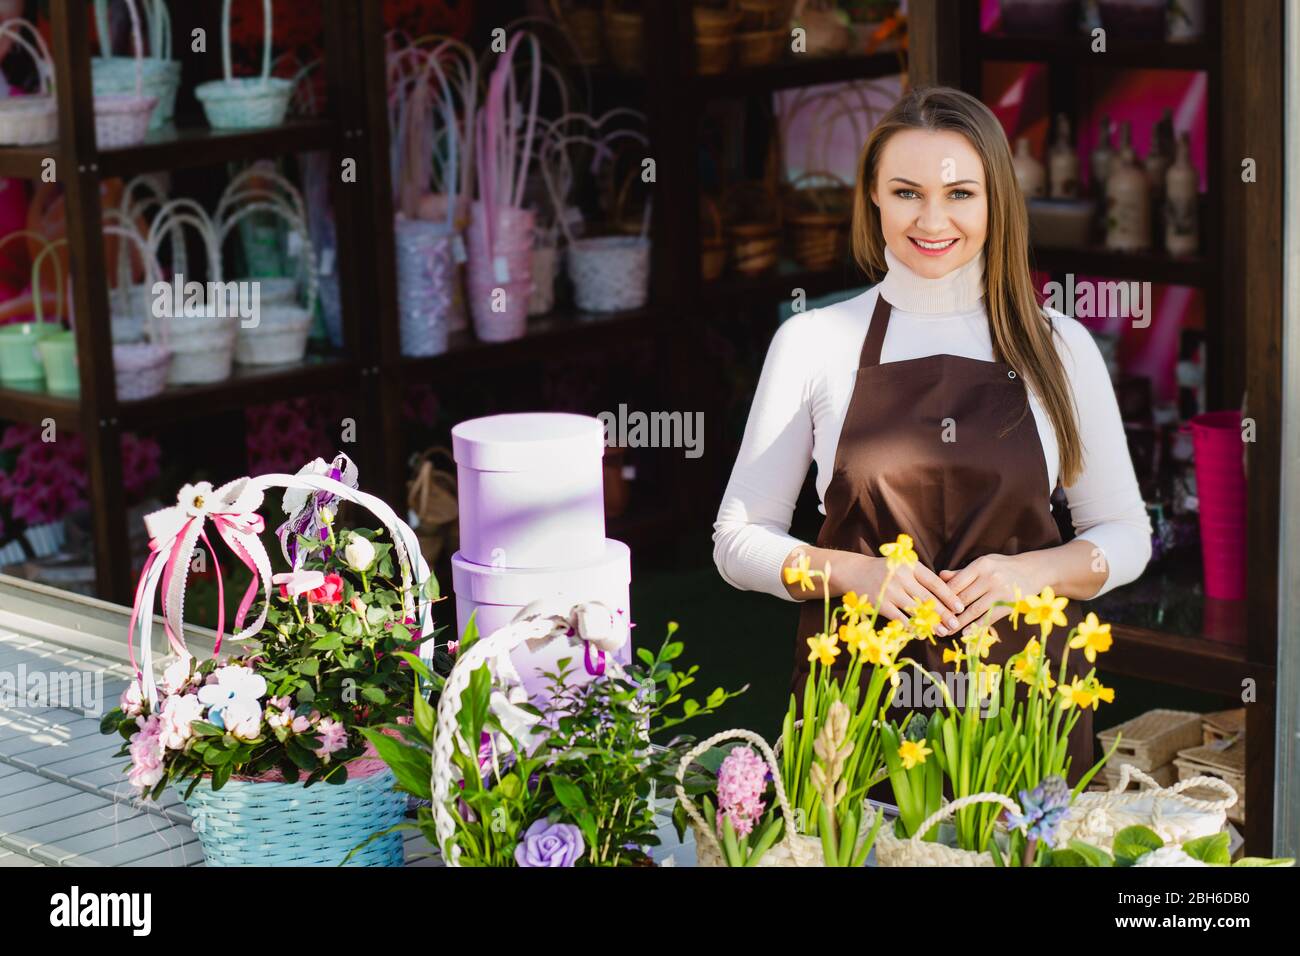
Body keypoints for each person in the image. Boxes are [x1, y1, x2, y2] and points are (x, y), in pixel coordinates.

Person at [712, 87, 1152, 781]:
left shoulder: (1059, 346)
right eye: (907, 192)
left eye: (959, 193)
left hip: (1020, 708)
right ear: (874, 200)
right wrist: (854, 573)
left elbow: (1125, 534)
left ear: (995, 201)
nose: (933, 218)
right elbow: (737, 541)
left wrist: (1029, 574)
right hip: (855, 711)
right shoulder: (814, 341)